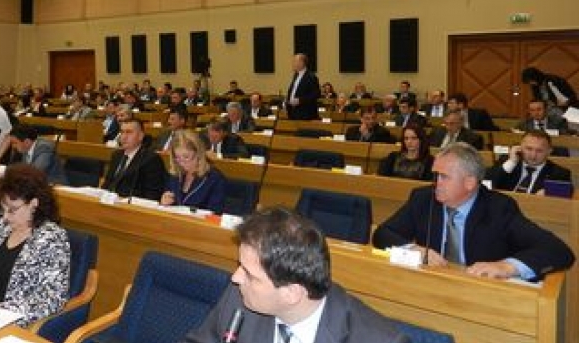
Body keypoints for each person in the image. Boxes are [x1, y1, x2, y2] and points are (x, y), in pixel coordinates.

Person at [181, 207, 408, 343]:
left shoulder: (380, 340)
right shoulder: (239, 297)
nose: (236, 278)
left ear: (292, 293)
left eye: (250, 275)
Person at [373, 143, 574, 280]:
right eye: (435, 175)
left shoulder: (499, 208)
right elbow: (383, 233)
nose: (435, 183)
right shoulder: (423, 198)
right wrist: (412, 249)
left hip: (481, 294)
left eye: (444, 177)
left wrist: (507, 267)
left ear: (470, 182)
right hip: (431, 283)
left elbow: (559, 251)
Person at [0, 164, 69, 327]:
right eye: (2, 209)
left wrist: (3, 310)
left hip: (1, 320)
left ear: (34, 204)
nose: (5, 217)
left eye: (12, 210)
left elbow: (53, 299)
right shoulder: (2, 226)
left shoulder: (53, 238)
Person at [160, 131, 227, 214]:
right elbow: (169, 203)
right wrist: (164, 203)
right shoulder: (175, 174)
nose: (181, 162)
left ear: (198, 154)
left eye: (186, 157)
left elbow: (215, 214)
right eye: (177, 157)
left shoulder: (215, 178)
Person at [485, 130, 571, 194]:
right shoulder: (507, 162)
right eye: (529, 149)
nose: (533, 155)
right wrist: (511, 162)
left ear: (549, 151)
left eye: (539, 151)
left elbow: (566, 194)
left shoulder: (559, 173)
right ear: (520, 147)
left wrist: (550, 193)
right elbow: (486, 182)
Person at [103, 119, 167, 200]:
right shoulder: (116, 155)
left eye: (129, 132)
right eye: (122, 132)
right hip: (109, 201)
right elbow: (107, 183)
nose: (124, 137)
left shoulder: (151, 159)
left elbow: (152, 195)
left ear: (141, 136)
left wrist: (123, 200)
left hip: (131, 205)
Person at [285, 53, 321, 120]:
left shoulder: (311, 77)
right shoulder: (296, 75)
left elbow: (316, 94)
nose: (293, 64)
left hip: (305, 114)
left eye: (295, 61)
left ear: (301, 63)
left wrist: (300, 100)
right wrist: (287, 101)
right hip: (293, 113)